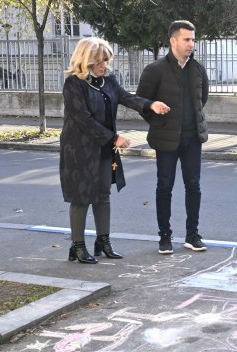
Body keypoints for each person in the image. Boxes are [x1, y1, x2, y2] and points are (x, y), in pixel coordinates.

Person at [60, 37, 170, 264]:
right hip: (79, 149)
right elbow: (83, 119)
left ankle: (103, 241)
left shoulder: (108, 81)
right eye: (99, 61)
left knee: (103, 194)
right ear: (86, 60)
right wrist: (114, 138)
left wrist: (150, 104)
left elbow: (126, 97)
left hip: (103, 148)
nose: (104, 65)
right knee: (82, 197)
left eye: (106, 60)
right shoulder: (73, 84)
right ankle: (78, 246)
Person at [136, 20, 209, 255]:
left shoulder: (198, 69)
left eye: (193, 40)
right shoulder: (155, 70)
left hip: (193, 138)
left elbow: (202, 99)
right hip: (166, 139)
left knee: (194, 185)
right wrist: (160, 123)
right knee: (164, 186)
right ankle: (164, 236)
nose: (191, 44)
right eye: (187, 39)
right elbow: (142, 102)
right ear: (173, 41)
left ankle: (192, 235)